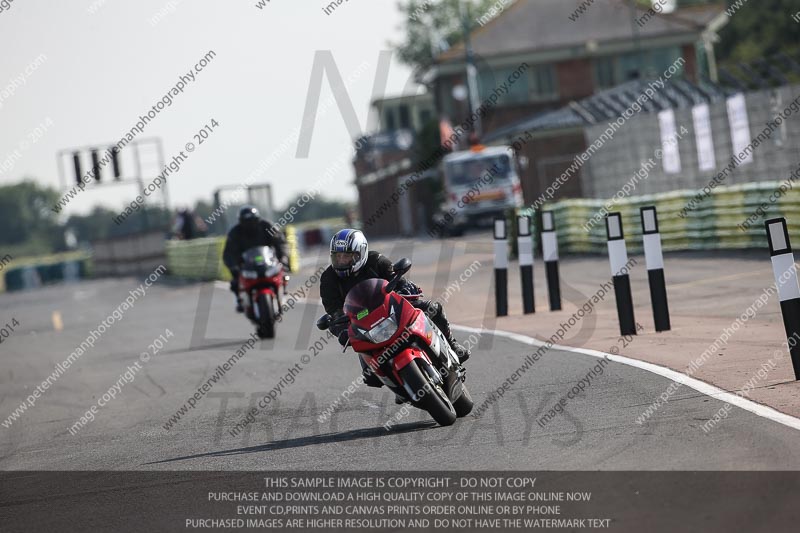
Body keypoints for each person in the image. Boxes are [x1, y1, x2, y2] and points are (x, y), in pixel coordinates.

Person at [319, 228, 470, 391]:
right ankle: (401, 386)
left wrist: (405, 289)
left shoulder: (376, 260)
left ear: (360, 253)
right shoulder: (328, 278)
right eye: (337, 256)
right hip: (363, 323)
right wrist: (340, 329)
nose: (342, 260)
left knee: (432, 309)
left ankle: (452, 345)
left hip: (391, 308)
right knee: (370, 376)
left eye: (347, 256)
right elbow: (333, 311)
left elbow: (398, 279)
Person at [223, 206, 288, 312]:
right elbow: (228, 253)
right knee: (235, 282)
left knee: (284, 274)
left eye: (252, 221)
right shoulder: (234, 233)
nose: (250, 225)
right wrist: (233, 266)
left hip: (267, 261)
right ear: (241, 222)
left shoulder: (267, 226)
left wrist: (283, 258)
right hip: (246, 265)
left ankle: (283, 293)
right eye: (246, 222)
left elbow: (280, 243)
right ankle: (239, 300)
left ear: (257, 219)